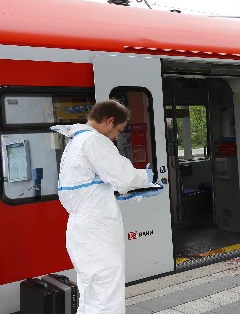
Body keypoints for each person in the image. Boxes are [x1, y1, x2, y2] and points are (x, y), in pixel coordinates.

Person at [51, 100, 161, 314]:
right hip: (97, 229)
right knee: (107, 290)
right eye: (118, 130)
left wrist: (117, 193)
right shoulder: (94, 141)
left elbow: (90, 186)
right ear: (109, 121)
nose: (116, 137)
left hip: (82, 228)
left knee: (90, 290)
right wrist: (145, 177)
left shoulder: (74, 143)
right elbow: (124, 176)